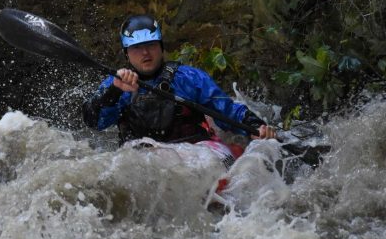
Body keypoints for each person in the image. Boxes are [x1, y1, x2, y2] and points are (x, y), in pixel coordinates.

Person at [82, 14, 275, 150]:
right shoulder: (116, 83)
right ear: (126, 54)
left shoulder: (189, 78)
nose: (145, 53)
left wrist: (255, 126)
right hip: (143, 160)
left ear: (161, 47)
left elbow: (227, 110)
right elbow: (94, 122)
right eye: (137, 48)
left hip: (195, 151)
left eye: (150, 45)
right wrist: (113, 93)